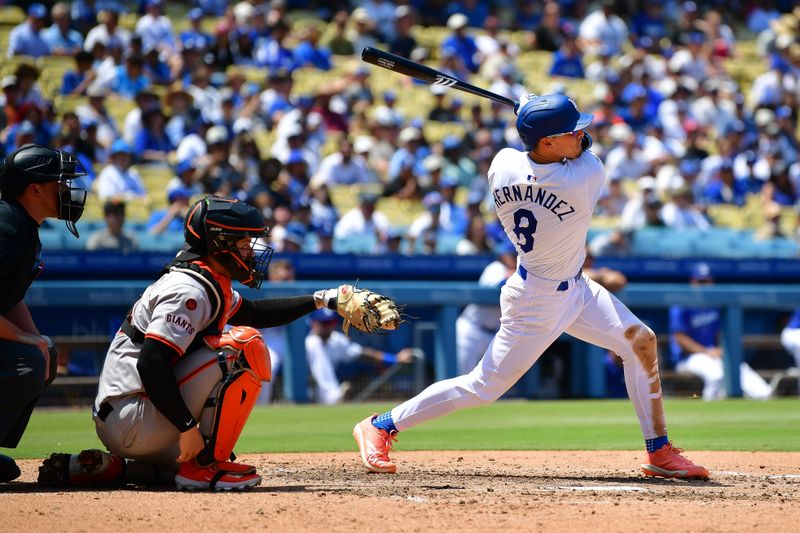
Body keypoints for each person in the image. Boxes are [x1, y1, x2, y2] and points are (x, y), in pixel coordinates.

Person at [352, 93, 709, 480]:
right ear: (547, 143)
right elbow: (585, 150)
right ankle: (381, 424)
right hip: (537, 301)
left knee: (640, 340)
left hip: (575, 287)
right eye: (572, 131)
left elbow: (527, 149)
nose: (582, 134)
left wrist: (530, 113)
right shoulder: (585, 176)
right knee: (482, 387)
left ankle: (659, 451)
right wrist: (530, 108)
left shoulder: (501, 164)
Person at [38, 196, 400, 491]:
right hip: (132, 416)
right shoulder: (189, 290)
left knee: (241, 334)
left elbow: (255, 312)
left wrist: (324, 298)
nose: (251, 252)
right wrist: (187, 429)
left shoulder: (206, 279)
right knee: (244, 346)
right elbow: (151, 363)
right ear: (219, 243)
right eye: (244, 243)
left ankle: (122, 470)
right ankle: (202, 465)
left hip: (131, 416)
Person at [0, 144, 87, 483]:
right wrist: (26, 340)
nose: (66, 189)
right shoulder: (6, 228)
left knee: (42, 353)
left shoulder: (21, 224)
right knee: (27, 361)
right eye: (58, 182)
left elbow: (8, 298)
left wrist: (37, 339)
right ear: (35, 188)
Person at [669, 263, 773, 401]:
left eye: (706, 281)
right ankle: (709, 412)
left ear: (712, 282)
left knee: (738, 367)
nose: (704, 285)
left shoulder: (715, 304)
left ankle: (764, 394)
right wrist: (706, 351)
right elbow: (680, 338)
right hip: (688, 358)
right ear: (693, 282)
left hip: (712, 354)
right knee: (716, 375)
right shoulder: (682, 304)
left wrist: (723, 350)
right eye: (700, 281)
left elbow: (721, 333)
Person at [306, 308, 416, 405]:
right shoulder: (308, 341)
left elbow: (362, 354)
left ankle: (331, 396)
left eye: (331, 323)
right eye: (324, 323)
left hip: (317, 393)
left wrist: (394, 359)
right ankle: (331, 396)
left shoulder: (336, 340)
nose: (329, 327)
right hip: (303, 387)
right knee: (314, 344)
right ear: (313, 323)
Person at [455, 241, 517, 374]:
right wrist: (517, 275)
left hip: (492, 335)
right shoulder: (495, 267)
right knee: (462, 378)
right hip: (471, 331)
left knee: (490, 384)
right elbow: (499, 287)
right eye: (513, 256)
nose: (515, 259)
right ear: (503, 255)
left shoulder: (516, 273)